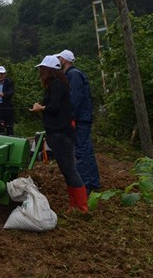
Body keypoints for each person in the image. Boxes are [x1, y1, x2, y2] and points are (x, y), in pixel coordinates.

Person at [30, 55, 88, 213]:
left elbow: (54, 107)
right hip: (58, 133)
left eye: (42, 69)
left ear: (48, 70)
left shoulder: (56, 85)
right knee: (66, 169)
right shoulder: (57, 84)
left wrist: (40, 108)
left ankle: (82, 207)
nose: (40, 72)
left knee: (70, 169)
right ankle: (74, 205)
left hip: (61, 134)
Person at [57, 49, 100, 194]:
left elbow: (75, 99)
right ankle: (93, 182)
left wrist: (71, 118)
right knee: (86, 150)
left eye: (60, 58)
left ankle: (86, 186)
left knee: (81, 152)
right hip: (83, 117)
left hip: (80, 119)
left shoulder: (73, 75)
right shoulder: (72, 74)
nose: (59, 60)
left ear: (65, 60)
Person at [0, 66, 15, 135]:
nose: (0, 75)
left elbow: (11, 91)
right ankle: (0, 135)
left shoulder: (9, 82)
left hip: (6, 105)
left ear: (5, 74)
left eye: (2, 74)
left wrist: (4, 94)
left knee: (8, 122)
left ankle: (10, 135)